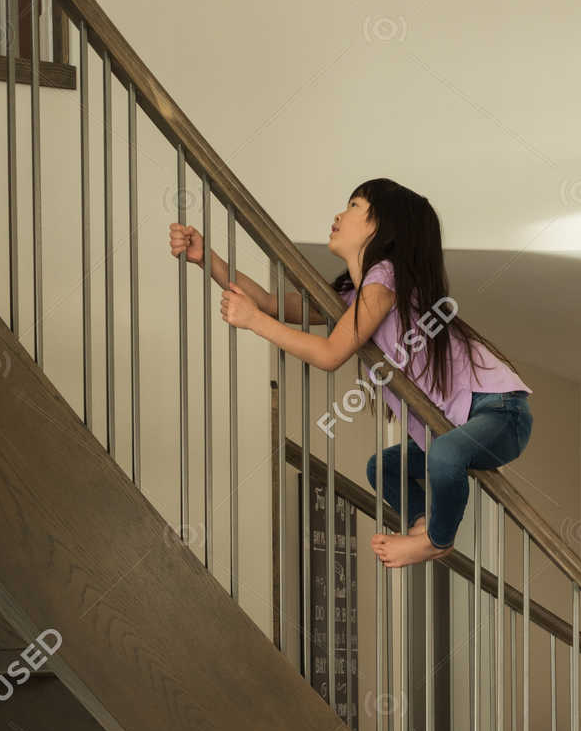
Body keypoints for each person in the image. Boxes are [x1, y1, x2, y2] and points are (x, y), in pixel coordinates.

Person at [168, 178, 533, 569]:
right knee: (384, 467)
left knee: (445, 453)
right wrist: (208, 258)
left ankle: (436, 540)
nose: (339, 214)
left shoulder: (385, 279)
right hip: (459, 424)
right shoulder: (356, 297)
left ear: (381, 226)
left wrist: (254, 323)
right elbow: (274, 304)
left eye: (354, 206)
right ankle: (423, 523)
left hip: (499, 410)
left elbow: (328, 354)